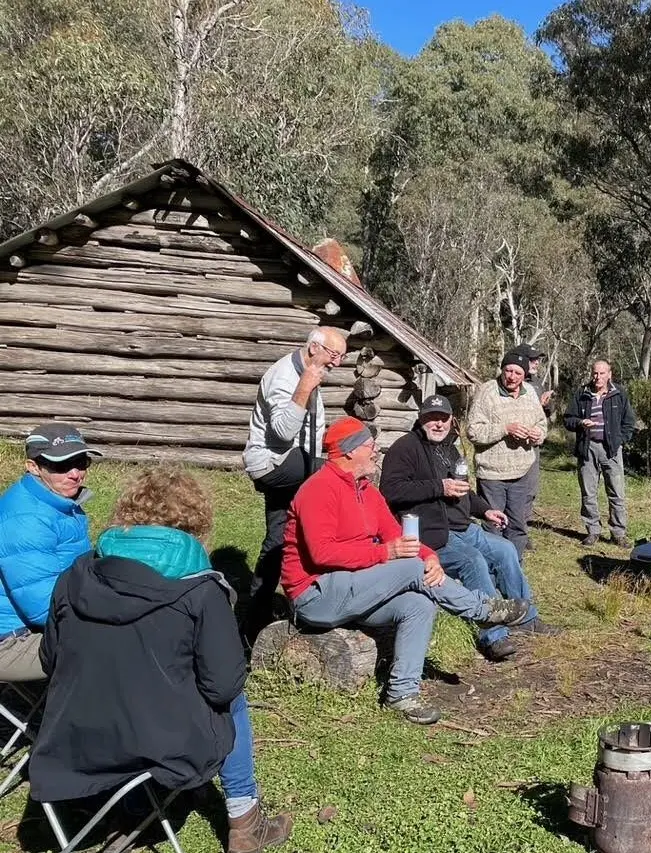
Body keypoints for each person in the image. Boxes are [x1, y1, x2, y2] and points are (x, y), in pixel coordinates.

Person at [30, 468, 292, 853]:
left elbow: (50, 659)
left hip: (72, 740)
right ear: (196, 522)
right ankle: (245, 821)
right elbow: (222, 686)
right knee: (233, 699)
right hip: (160, 746)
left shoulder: (75, 575)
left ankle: (135, 809)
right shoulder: (201, 590)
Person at [282, 417, 530, 724]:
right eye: (370, 445)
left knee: (419, 603)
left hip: (353, 588)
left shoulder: (366, 490)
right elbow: (323, 553)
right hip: (315, 595)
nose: (376, 451)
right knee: (411, 568)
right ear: (349, 451)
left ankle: (401, 694)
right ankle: (482, 611)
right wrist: (385, 553)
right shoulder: (318, 489)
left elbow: (396, 534)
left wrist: (430, 557)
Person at [382, 395, 554, 662]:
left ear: (452, 420)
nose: (438, 424)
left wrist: (485, 510)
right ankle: (493, 636)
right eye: (431, 418)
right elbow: (391, 490)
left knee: (506, 550)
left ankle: (526, 618)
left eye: (443, 418)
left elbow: (463, 491)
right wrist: (439, 487)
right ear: (421, 419)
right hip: (432, 531)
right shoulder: (405, 448)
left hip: (463, 526)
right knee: (473, 561)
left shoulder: (449, 448)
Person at [241, 327, 348, 642]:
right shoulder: (286, 376)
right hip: (273, 464)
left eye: (342, 357)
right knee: (335, 480)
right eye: (334, 355)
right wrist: (304, 387)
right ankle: (318, 597)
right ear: (314, 347)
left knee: (279, 536)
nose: (337, 363)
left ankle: (253, 623)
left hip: (294, 464)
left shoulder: (309, 368)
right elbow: (283, 432)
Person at [0, 423, 100, 682]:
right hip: (10, 641)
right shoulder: (27, 520)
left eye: (81, 462)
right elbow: (42, 608)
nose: (75, 474)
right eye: (61, 465)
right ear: (33, 467)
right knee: (118, 644)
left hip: (38, 623)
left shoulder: (57, 501)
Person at [466, 352, 548, 561]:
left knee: (518, 525)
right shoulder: (487, 392)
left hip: (522, 472)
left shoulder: (530, 392)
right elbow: (473, 431)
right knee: (494, 525)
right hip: (492, 474)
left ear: (524, 375)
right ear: (502, 370)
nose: (511, 377)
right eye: (508, 371)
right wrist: (505, 429)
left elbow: (541, 423)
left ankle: (514, 567)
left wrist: (538, 434)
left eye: (517, 373)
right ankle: (492, 569)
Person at [564, 360, 636, 548]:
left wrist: (620, 440)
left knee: (617, 493)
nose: (598, 377)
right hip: (587, 448)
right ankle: (593, 531)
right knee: (588, 492)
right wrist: (580, 423)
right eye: (595, 373)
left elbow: (629, 421)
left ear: (609, 374)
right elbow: (568, 419)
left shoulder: (618, 394)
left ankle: (618, 533)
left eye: (602, 373)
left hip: (611, 449)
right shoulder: (582, 393)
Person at [513, 343, 553, 552]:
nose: (537, 363)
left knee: (530, 488)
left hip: (532, 444)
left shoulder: (537, 383)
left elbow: (546, 413)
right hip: (512, 444)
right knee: (512, 488)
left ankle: (523, 530)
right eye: (533, 359)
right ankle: (506, 528)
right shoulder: (510, 380)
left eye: (538, 359)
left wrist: (546, 405)